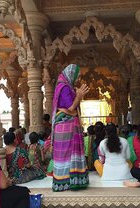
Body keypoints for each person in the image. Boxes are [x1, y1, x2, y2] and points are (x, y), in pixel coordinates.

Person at [52, 63, 89, 191]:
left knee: (66, 153)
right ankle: (67, 181)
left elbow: (71, 110)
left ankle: (67, 181)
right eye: (77, 76)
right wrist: (78, 97)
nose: (78, 79)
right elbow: (71, 108)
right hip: (66, 126)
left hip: (65, 124)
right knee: (66, 152)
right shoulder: (65, 88)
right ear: (71, 74)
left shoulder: (66, 87)